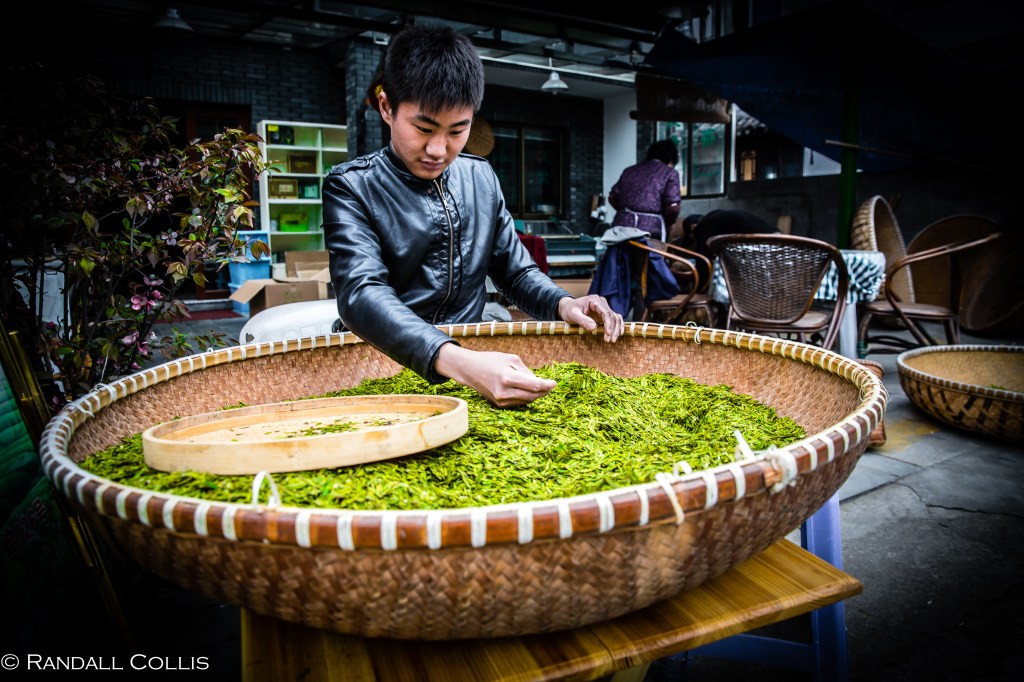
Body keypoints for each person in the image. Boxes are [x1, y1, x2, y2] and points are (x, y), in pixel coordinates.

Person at [322, 24, 623, 408]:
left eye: (456, 130)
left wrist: (565, 304)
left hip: (474, 361)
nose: (438, 149)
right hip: (382, 364)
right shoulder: (352, 186)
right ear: (386, 107)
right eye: (423, 128)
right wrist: (460, 361)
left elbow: (515, 272)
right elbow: (362, 295)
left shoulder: (479, 176)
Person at [607, 140, 682, 242]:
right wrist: (669, 222)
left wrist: (626, 212)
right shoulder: (670, 173)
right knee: (649, 257)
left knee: (620, 257)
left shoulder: (629, 171)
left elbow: (612, 197)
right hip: (649, 233)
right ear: (671, 158)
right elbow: (673, 209)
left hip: (621, 230)